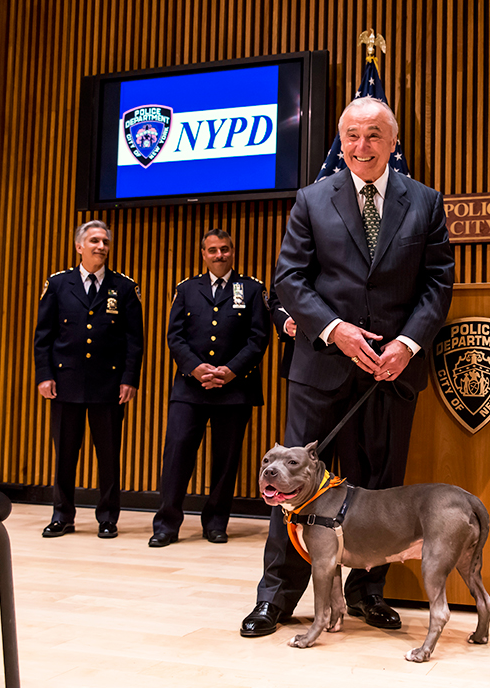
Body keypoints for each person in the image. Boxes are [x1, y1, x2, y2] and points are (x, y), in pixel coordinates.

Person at [240, 96, 454, 637]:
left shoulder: (425, 202)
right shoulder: (313, 199)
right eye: (352, 136)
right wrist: (335, 329)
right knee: (290, 488)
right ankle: (278, 598)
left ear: (393, 142)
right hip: (321, 368)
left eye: (374, 135)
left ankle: (365, 595)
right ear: (341, 141)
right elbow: (290, 278)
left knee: (379, 495)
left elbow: (437, 283)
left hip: (389, 373)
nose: (362, 146)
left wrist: (407, 343)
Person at [149, 229, 270, 547]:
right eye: (213, 250)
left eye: (225, 249)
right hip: (191, 387)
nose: (220, 255)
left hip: (235, 388)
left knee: (226, 459)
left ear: (234, 251)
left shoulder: (253, 288)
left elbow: (259, 338)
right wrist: (195, 367)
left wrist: (231, 371)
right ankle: (167, 524)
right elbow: (174, 335)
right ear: (203, 254)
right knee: (176, 455)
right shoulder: (187, 289)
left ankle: (216, 522)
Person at [33, 220, 144, 539]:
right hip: (65, 383)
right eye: (94, 241)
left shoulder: (123, 287)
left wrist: (129, 379)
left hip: (108, 384)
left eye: (106, 242)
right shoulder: (57, 284)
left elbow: (134, 339)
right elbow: (44, 335)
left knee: (109, 455)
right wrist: (44, 375)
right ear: (79, 246)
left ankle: (108, 517)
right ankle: (62, 515)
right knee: (64, 454)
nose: (101, 247)